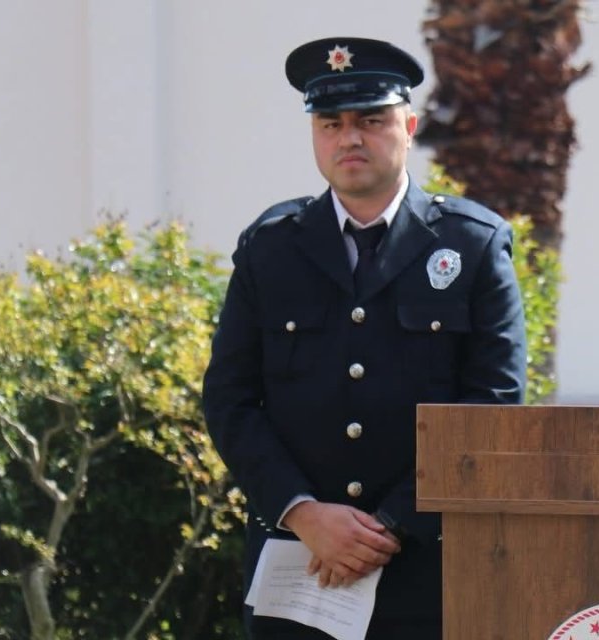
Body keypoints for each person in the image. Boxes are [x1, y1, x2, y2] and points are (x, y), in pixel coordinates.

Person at [203, 37, 527, 639]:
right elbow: (230, 399)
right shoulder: (270, 248)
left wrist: (388, 526)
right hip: (299, 565)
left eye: (370, 121)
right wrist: (303, 513)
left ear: (409, 125)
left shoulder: (472, 245)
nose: (349, 138)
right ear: (315, 136)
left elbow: (492, 405)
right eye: (331, 123)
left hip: (428, 569)